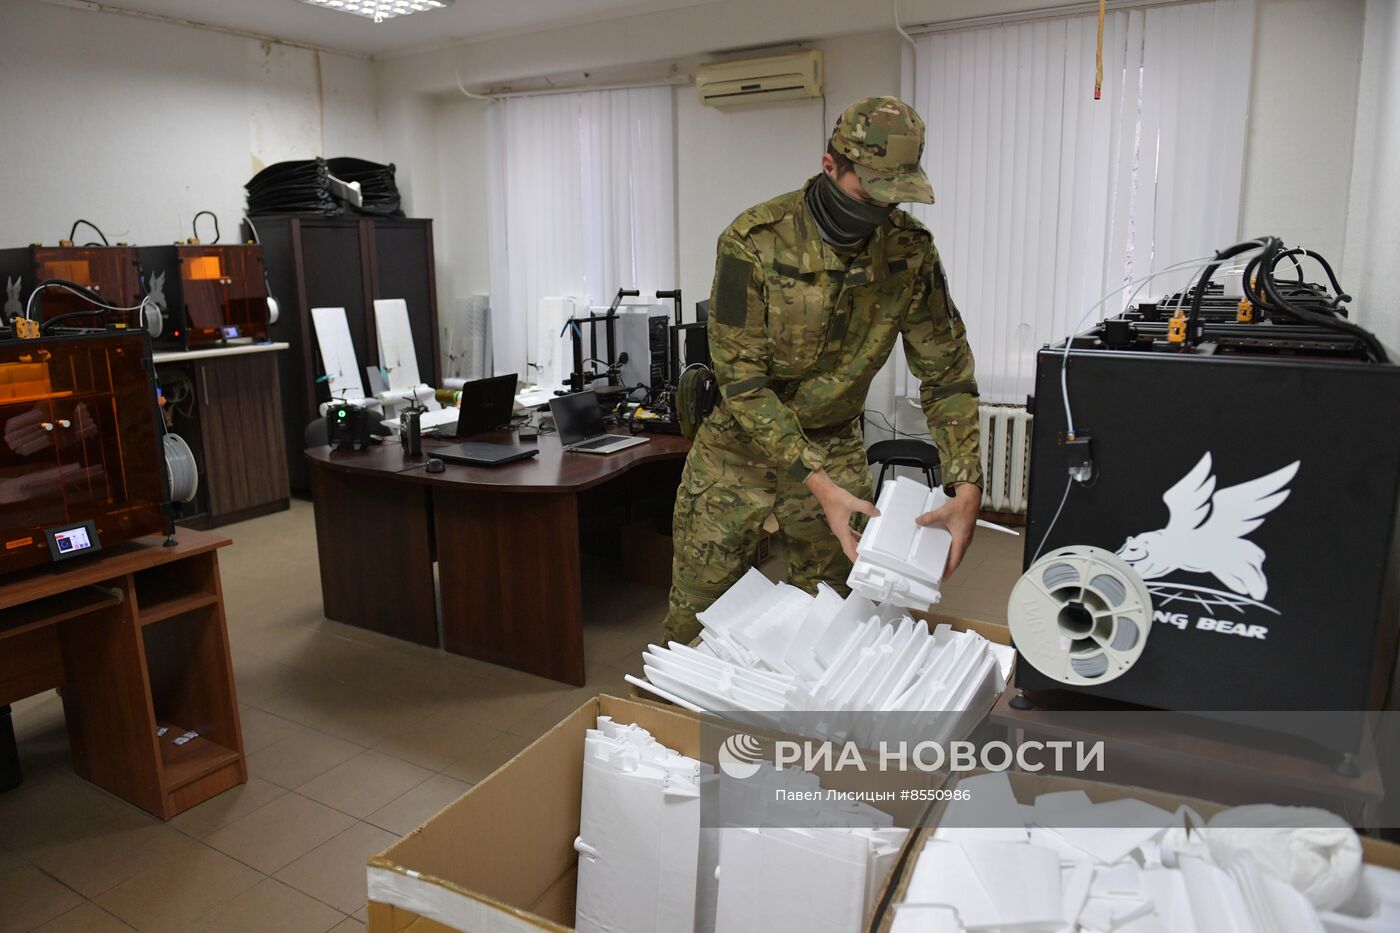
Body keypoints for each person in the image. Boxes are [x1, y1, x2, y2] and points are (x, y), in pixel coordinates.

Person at [661, 96, 983, 645]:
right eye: (868, 195)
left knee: (835, 623)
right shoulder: (754, 241)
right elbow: (742, 380)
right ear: (830, 165)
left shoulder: (909, 252)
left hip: (835, 447)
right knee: (700, 625)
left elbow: (946, 370)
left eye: (892, 199)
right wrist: (816, 483)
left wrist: (967, 479)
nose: (879, 213)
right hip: (738, 455)